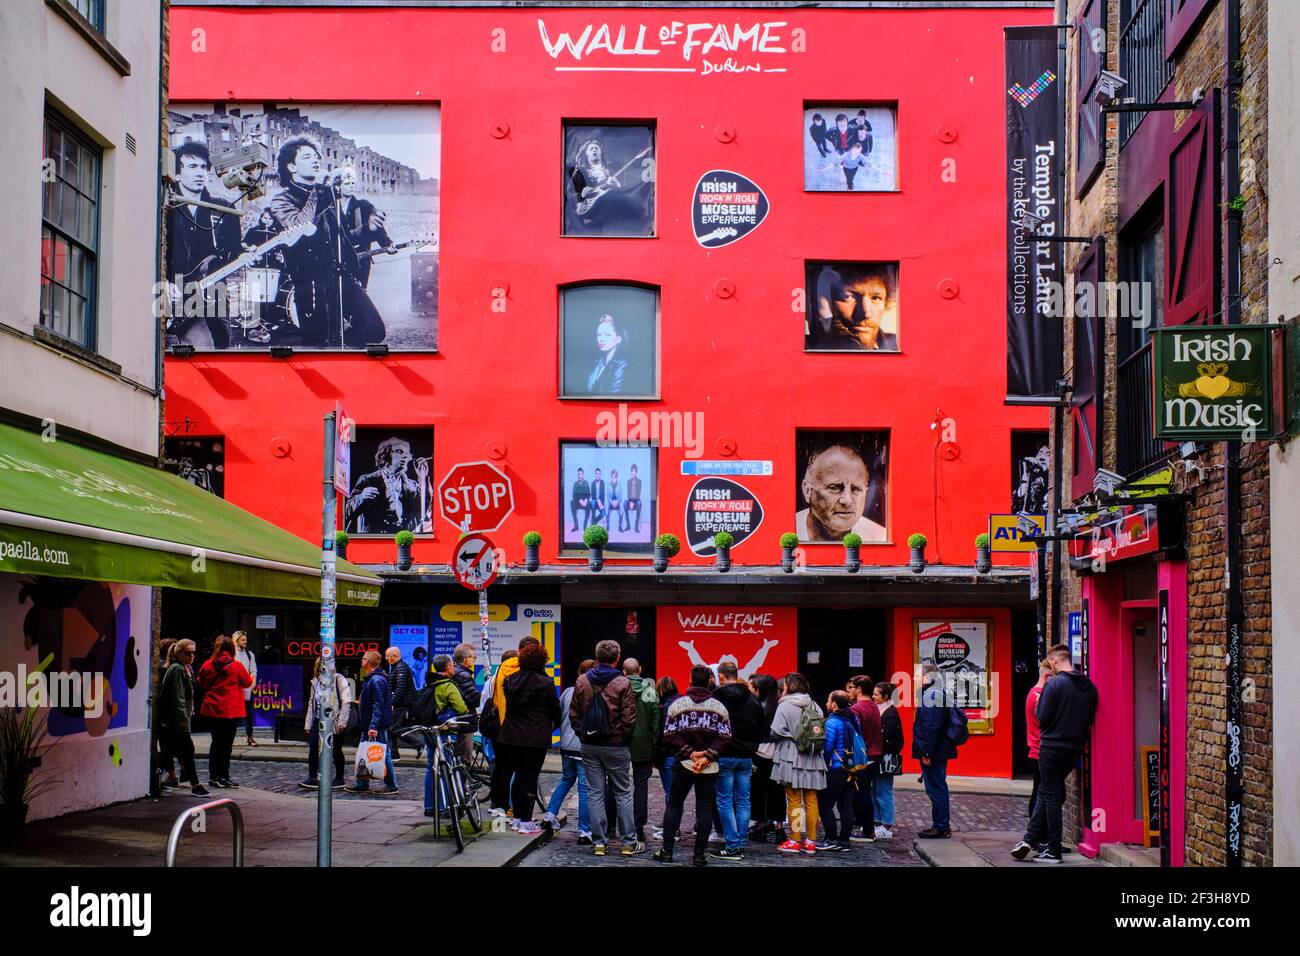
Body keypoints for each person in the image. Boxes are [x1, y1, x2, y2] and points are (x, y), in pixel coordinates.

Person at [266, 135, 386, 348]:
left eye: (316, 156)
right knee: (317, 342)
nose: (315, 161)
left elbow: (343, 237)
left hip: (340, 276)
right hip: (310, 282)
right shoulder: (281, 200)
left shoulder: (328, 196)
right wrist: (317, 193)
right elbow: (298, 226)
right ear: (291, 166)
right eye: (307, 157)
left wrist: (369, 229)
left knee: (373, 330)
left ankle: (343, 356)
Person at [1013, 645, 1098, 863]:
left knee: (1050, 796)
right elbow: (1090, 718)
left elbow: (1042, 716)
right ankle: (1029, 839)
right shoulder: (1089, 686)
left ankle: (1053, 850)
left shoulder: (1054, 684)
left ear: (1054, 662)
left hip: (1051, 747)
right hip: (1075, 748)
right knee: (1045, 791)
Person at [166, 141, 244, 349]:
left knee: (221, 350)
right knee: (197, 349)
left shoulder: (225, 208)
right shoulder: (165, 206)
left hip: (215, 292)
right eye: (192, 167)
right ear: (178, 174)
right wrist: (163, 280)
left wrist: (244, 256)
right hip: (175, 291)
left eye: (203, 167)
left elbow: (234, 251)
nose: (200, 173)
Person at [652, 665, 732, 866]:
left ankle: (667, 850)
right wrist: (707, 756)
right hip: (709, 766)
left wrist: (690, 753)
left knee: (674, 804)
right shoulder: (719, 707)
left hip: (684, 763)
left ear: (690, 680)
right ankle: (699, 855)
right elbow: (725, 736)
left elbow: (669, 734)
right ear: (709, 681)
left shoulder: (677, 705)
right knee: (704, 807)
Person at [568, 639, 639, 857]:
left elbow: (574, 714)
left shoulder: (581, 681)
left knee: (595, 793)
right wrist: (625, 738)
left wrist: (583, 734)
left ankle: (599, 842)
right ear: (617, 658)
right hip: (616, 745)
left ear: (597, 657)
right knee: (623, 793)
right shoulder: (622, 683)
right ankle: (628, 842)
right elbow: (629, 718)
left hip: (590, 745)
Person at [498, 642, 562, 834]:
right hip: (535, 737)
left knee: (517, 776)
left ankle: (517, 817)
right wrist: (550, 726)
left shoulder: (510, 680)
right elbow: (555, 710)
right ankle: (526, 821)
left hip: (511, 737)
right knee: (530, 777)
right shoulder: (545, 682)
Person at [710, 661, 768, 862]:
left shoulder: (716, 698)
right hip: (746, 756)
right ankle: (740, 842)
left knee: (725, 801)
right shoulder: (752, 699)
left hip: (724, 754)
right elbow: (762, 727)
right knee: (743, 800)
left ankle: (733, 845)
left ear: (722, 676)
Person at [770, 672, 827, 854]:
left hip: (790, 755)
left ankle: (794, 840)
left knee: (794, 800)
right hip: (812, 757)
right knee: (811, 800)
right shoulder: (815, 705)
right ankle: (811, 841)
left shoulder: (784, 706)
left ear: (788, 686)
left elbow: (775, 733)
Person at [545, 659, 596, 842]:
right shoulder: (595, 692)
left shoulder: (567, 692)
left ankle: (550, 814)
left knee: (566, 779)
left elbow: (557, 716)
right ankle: (584, 830)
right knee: (584, 788)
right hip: (584, 746)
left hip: (566, 744)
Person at [796, 444, 887, 543]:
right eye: (834, 487)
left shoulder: (879, 537)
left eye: (856, 489)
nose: (847, 500)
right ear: (807, 490)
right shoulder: (789, 528)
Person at [196, 635, 253, 789]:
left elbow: (200, 682)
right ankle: (223, 776)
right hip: (230, 711)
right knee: (226, 745)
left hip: (212, 709)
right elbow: (247, 682)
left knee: (216, 743)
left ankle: (213, 776)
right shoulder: (236, 666)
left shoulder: (207, 665)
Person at [344, 437, 431, 535]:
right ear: (385, 454)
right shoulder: (368, 479)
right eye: (399, 452)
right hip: (375, 538)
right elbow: (347, 511)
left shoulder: (412, 485)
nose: (405, 456)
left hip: (403, 539)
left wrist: (422, 478)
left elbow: (426, 511)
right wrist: (362, 497)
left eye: (407, 453)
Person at [417, 654, 469, 818]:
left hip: (429, 730)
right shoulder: (448, 685)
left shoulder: (429, 682)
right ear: (447, 668)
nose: (453, 667)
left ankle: (431, 806)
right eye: (452, 665)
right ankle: (446, 806)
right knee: (447, 767)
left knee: (431, 768)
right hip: (445, 731)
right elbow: (461, 709)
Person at [157, 640, 208, 796]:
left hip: (175, 720)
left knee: (170, 751)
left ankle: (158, 779)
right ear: (178, 653)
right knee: (186, 750)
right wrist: (183, 720)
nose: (191, 656)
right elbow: (178, 697)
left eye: (193, 652)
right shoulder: (178, 669)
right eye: (188, 653)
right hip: (175, 721)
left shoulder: (184, 668)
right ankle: (195, 785)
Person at [810, 264, 899, 352]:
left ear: (885, 301)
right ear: (828, 302)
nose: (866, 313)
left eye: (875, 298)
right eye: (848, 297)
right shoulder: (808, 345)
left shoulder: (897, 344)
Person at [913, 662, 957, 838]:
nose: (915, 678)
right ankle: (940, 824)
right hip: (936, 750)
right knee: (937, 787)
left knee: (936, 788)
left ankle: (941, 826)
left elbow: (931, 728)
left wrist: (926, 753)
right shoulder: (934, 693)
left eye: (917, 675)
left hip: (934, 752)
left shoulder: (932, 695)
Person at [346, 650, 399, 794]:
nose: (361, 661)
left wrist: (374, 726)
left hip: (375, 724)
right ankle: (362, 782)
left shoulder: (376, 680)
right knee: (364, 752)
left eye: (363, 658)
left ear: (367, 662)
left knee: (382, 753)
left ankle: (391, 785)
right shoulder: (374, 678)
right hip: (370, 723)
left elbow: (378, 704)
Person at [335, 166, 396, 288]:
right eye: (347, 183)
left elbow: (377, 227)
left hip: (360, 261)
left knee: (360, 295)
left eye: (353, 183)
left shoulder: (363, 205)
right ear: (338, 186)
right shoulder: (332, 206)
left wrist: (387, 244)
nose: (351, 186)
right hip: (338, 260)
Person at [485, 641, 527, 815]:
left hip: (495, 728)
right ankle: (505, 804)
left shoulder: (492, 680)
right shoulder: (509, 679)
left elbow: (484, 702)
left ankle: (497, 803)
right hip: (508, 727)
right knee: (508, 767)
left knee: (500, 767)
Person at [623, 658, 661, 843]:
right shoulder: (650, 692)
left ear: (624, 672)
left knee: (613, 785)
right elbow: (655, 723)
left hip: (620, 743)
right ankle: (638, 827)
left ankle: (612, 824)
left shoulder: (617, 689)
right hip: (644, 744)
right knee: (641, 786)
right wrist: (654, 746)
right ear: (640, 670)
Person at [817, 691, 859, 852]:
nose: (827, 703)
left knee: (825, 804)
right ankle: (844, 841)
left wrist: (824, 763)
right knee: (846, 806)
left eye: (828, 700)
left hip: (836, 768)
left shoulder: (832, 722)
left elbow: (828, 747)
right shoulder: (852, 718)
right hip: (851, 768)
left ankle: (831, 838)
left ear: (834, 703)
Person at [300, 657, 351, 789]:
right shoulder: (315, 682)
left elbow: (346, 702)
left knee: (336, 750)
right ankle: (312, 777)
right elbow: (312, 702)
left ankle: (340, 778)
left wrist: (342, 722)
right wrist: (308, 723)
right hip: (318, 719)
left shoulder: (339, 679)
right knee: (313, 748)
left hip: (334, 719)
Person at [747, 673, 786, 842]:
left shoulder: (756, 707)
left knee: (758, 792)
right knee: (777, 792)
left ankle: (761, 825)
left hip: (759, 753)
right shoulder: (779, 707)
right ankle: (778, 828)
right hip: (777, 754)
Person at [848, 674, 882, 843]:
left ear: (859, 689)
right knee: (865, 793)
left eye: (851, 688)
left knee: (861, 795)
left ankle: (867, 831)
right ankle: (866, 828)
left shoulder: (857, 709)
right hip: (874, 755)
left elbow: (854, 735)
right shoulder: (874, 706)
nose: (849, 692)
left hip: (862, 757)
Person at [873, 681, 904, 839]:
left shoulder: (890, 713)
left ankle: (886, 825)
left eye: (876, 694)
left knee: (884, 792)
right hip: (879, 756)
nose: (874, 697)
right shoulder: (881, 710)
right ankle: (878, 822)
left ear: (885, 696)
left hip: (886, 757)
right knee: (876, 790)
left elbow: (885, 736)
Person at [651, 674, 680, 837]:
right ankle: (669, 823)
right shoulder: (680, 703)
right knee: (674, 793)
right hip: (679, 754)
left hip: (668, 755)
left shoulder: (666, 707)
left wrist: (657, 756)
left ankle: (672, 828)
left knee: (671, 794)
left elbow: (663, 735)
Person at [1025, 658, 1054, 819]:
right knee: (1041, 794)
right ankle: (1037, 834)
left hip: (1037, 749)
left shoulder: (1034, 693)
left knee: (1039, 792)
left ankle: (1036, 833)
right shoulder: (1039, 696)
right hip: (1039, 750)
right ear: (1047, 677)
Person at [450, 643, 481, 765]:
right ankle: (462, 784)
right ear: (465, 659)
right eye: (473, 657)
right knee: (465, 758)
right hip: (465, 721)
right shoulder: (464, 675)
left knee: (459, 757)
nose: (474, 660)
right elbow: (474, 700)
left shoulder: (456, 672)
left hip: (459, 720)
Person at [385, 646, 416, 760]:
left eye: (388, 656)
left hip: (402, 704)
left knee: (393, 728)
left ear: (394, 656)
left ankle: (418, 744)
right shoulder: (397, 667)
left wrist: (392, 703)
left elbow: (400, 688)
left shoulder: (400, 668)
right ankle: (394, 755)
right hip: (401, 703)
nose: (386, 658)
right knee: (392, 728)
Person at [586, 315, 629, 395]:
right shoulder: (598, 362)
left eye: (607, 335)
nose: (601, 339)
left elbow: (614, 395)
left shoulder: (622, 365)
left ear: (618, 339)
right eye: (599, 334)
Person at [233, 631, 258, 746]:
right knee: (233, 714)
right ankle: (230, 737)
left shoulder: (250, 654)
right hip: (234, 688)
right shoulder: (232, 654)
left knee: (248, 713)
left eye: (246, 640)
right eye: (243, 640)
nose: (245, 642)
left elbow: (253, 670)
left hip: (247, 688)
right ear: (237, 640)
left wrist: (252, 683)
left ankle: (249, 736)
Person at [569, 467, 592, 533]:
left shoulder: (586, 483)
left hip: (585, 502)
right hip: (578, 502)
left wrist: (585, 500)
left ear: (583, 474)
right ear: (577, 475)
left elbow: (589, 494)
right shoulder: (575, 483)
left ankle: (585, 526)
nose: (580, 475)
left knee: (589, 504)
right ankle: (576, 526)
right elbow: (574, 495)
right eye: (579, 474)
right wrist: (580, 500)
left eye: (581, 474)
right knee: (571, 503)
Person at [623, 463, 643, 534]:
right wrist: (630, 501)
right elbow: (628, 494)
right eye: (632, 471)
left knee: (640, 504)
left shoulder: (639, 481)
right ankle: (628, 525)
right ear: (630, 472)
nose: (633, 472)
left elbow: (638, 494)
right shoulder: (628, 481)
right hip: (630, 500)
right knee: (624, 503)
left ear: (636, 472)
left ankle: (636, 527)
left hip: (636, 500)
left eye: (634, 471)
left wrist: (633, 502)